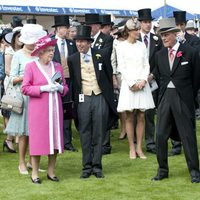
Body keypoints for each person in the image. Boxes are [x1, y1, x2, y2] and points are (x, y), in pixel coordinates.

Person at [152, 18, 200, 183]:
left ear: (175, 34)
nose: (163, 38)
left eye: (166, 35)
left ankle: (194, 172)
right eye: (162, 35)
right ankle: (162, 170)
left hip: (183, 99)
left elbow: (196, 79)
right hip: (165, 98)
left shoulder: (191, 52)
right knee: (160, 135)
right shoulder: (159, 55)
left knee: (188, 136)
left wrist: (187, 96)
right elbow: (159, 77)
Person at [68, 25, 117, 179]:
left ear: (89, 42)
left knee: (99, 132)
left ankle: (97, 166)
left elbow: (109, 76)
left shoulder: (101, 55)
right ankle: (86, 166)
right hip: (83, 98)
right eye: (77, 41)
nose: (79, 44)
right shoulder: (72, 59)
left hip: (99, 96)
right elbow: (74, 83)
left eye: (82, 41)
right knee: (84, 132)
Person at [22, 34, 68, 184]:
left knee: (55, 140)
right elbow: (25, 88)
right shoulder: (31, 67)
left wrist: (61, 88)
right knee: (38, 141)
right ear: (40, 52)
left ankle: (51, 171)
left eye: (52, 50)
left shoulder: (58, 66)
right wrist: (43, 88)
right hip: (39, 111)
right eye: (48, 50)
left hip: (55, 109)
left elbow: (65, 88)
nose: (51, 53)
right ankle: (35, 173)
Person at [4, 24, 46, 175]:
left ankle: (32, 162)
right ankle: (21, 162)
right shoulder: (18, 55)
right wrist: (28, 76)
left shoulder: (40, 53)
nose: (34, 43)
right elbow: (12, 78)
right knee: (23, 133)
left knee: (37, 132)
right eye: (31, 40)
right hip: (24, 98)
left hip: (39, 96)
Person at [116, 18, 155, 160]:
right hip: (129, 85)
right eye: (135, 30)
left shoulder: (142, 46)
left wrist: (143, 80)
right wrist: (132, 83)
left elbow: (146, 64)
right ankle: (131, 148)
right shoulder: (121, 46)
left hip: (142, 84)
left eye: (138, 29)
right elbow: (122, 67)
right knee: (130, 115)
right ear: (128, 31)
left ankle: (139, 147)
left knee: (141, 116)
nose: (138, 32)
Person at [85, 13, 114, 155]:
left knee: (103, 113)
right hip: (89, 81)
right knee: (91, 114)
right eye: (88, 26)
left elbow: (103, 55)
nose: (89, 28)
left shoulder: (107, 39)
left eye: (91, 25)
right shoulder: (85, 39)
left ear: (97, 26)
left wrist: (89, 52)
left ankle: (104, 144)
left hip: (103, 80)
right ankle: (93, 142)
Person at [137, 8, 163, 154]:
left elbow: (160, 61)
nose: (148, 25)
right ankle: (136, 141)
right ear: (140, 23)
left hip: (152, 81)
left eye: (149, 22)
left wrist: (152, 74)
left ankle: (150, 142)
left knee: (149, 113)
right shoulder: (134, 38)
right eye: (145, 22)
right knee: (135, 113)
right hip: (136, 80)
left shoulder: (157, 39)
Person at [52, 15, 78, 152]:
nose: (67, 30)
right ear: (58, 28)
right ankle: (55, 139)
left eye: (67, 27)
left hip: (69, 81)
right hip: (54, 80)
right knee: (54, 110)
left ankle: (67, 141)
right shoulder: (50, 42)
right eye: (64, 27)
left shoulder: (71, 44)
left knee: (67, 110)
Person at [2, 26, 23, 152]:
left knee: (19, 112)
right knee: (11, 111)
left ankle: (16, 139)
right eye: (18, 36)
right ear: (14, 38)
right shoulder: (9, 51)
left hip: (22, 84)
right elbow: (7, 70)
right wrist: (20, 77)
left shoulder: (24, 51)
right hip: (11, 84)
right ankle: (9, 139)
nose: (20, 39)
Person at [111, 19, 127, 140]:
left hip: (132, 75)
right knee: (121, 104)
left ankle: (132, 128)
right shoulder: (115, 42)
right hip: (120, 76)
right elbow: (113, 61)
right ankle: (123, 128)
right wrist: (114, 76)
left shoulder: (134, 41)